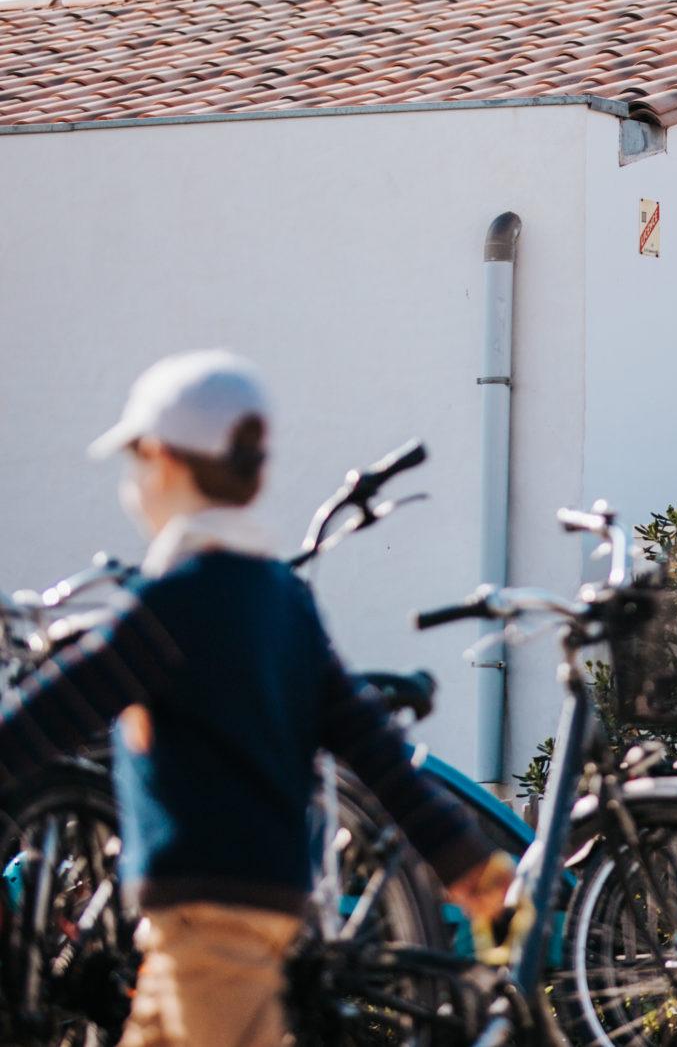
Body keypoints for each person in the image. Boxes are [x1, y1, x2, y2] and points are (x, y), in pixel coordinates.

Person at [0, 352, 512, 1047]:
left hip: (207, 922)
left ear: (161, 462)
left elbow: (52, 716)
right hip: (251, 911)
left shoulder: (170, 604)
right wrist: (465, 861)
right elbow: (375, 748)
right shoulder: (283, 601)